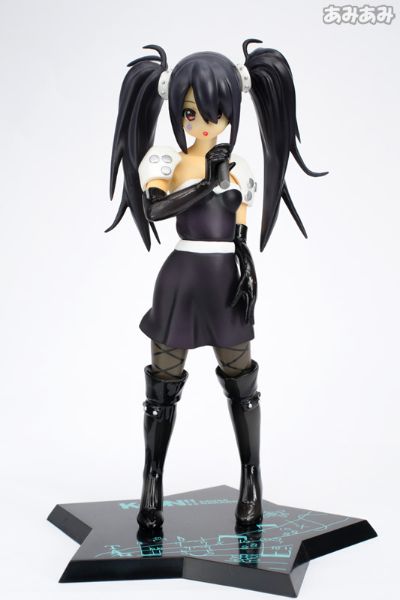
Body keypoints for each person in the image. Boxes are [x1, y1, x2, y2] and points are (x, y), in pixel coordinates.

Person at [107, 40, 326, 530]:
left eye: (216, 112)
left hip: (227, 279)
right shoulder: (166, 161)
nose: (204, 123)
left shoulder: (240, 168)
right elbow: (156, 209)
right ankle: (151, 483)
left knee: (241, 378)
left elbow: (239, 226)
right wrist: (207, 181)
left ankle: (252, 480)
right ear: (177, 113)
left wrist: (246, 264)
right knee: (163, 383)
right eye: (191, 113)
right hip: (181, 278)